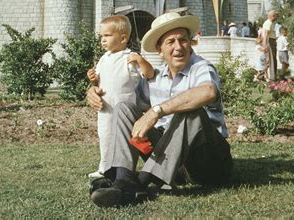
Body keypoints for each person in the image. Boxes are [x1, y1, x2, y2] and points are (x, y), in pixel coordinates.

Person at [87, 12, 232, 207]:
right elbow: (126, 103)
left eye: (183, 40)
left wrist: (156, 111)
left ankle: (141, 182)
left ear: (190, 44)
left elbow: (207, 92)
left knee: (191, 111)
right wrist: (94, 92)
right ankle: (124, 177)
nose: (178, 47)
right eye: (170, 42)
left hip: (208, 162)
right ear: (160, 50)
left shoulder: (201, 67)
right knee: (123, 107)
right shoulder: (154, 79)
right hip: (174, 163)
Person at [86, 15, 154, 179]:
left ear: (123, 38)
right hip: (105, 108)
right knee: (105, 137)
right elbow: (100, 83)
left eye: (107, 36)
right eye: (101, 36)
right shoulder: (103, 59)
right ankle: (104, 167)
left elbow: (149, 74)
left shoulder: (129, 57)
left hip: (124, 109)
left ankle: (129, 167)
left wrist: (141, 60)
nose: (103, 40)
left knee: (127, 140)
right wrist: (94, 80)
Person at [262, 10, 278, 81]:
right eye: (275, 15)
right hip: (269, 41)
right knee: (271, 59)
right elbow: (266, 35)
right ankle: (271, 77)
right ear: (272, 16)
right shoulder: (268, 23)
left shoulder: (271, 23)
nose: (276, 17)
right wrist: (265, 45)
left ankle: (272, 76)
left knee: (272, 59)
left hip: (272, 40)